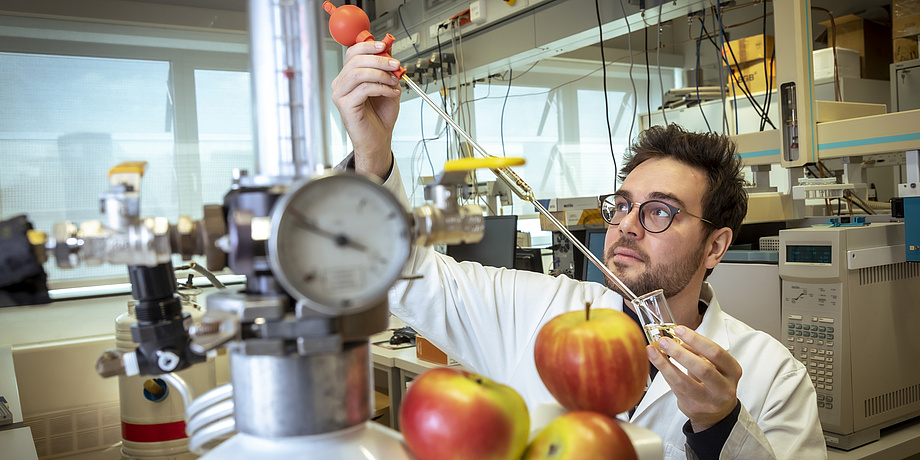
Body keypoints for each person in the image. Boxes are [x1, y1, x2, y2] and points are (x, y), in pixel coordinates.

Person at [331, 40, 827, 459]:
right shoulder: (537, 311)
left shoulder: (773, 376)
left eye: (659, 211)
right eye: (622, 205)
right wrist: (371, 155)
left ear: (715, 245)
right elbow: (402, 272)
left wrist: (723, 425)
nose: (626, 226)